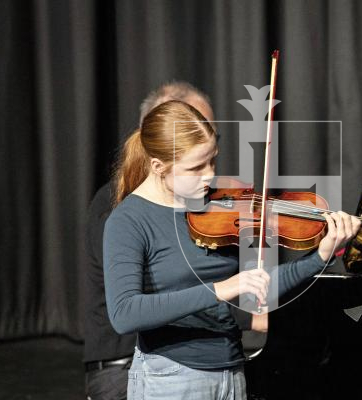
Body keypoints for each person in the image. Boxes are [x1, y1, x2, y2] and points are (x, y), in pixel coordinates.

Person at [103, 99, 361, 399]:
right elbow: (124, 314)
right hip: (172, 379)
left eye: (212, 160)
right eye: (196, 167)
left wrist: (319, 257)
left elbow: (256, 288)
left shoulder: (220, 207)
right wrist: (220, 289)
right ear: (158, 166)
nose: (209, 175)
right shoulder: (129, 220)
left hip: (232, 371)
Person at [83, 82, 264, 400]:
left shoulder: (203, 200)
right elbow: (167, 293)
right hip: (124, 365)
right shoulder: (120, 206)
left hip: (212, 355)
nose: (208, 173)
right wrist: (252, 315)